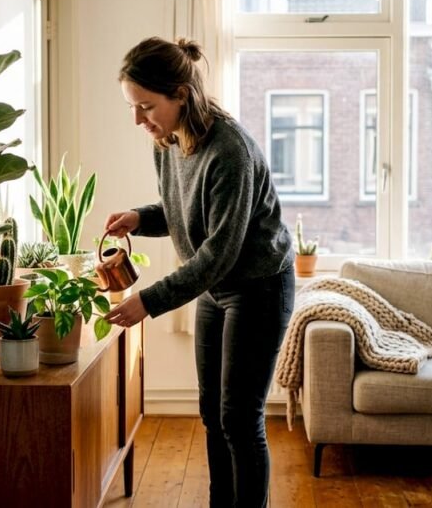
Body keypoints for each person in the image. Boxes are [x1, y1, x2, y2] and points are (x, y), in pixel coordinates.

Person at [102, 36, 295, 508]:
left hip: (258, 287)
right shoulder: (166, 141)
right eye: (132, 106)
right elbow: (184, 210)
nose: (138, 119)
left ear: (181, 95)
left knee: (240, 419)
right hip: (215, 287)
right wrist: (140, 218)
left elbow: (219, 252)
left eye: (146, 106)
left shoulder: (230, 150)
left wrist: (148, 302)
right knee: (212, 413)